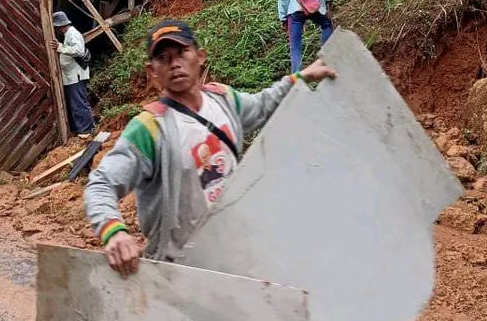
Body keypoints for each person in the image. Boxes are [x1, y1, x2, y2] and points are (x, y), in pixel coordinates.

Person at [84, 18, 337, 274]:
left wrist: (299, 78)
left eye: (182, 52)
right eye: (163, 57)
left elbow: (261, 105)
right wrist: (113, 232)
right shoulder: (149, 129)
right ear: (152, 72)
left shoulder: (224, 100)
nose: (174, 63)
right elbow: (102, 183)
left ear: (200, 56)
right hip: (180, 270)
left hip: (235, 253)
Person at [52, 10, 94, 136]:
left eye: (56, 27)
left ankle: (86, 130)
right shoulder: (69, 34)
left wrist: (60, 48)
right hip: (72, 75)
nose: (56, 30)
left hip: (76, 75)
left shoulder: (72, 34)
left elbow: (79, 50)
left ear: (60, 26)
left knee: (79, 102)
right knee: (78, 102)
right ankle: (85, 127)